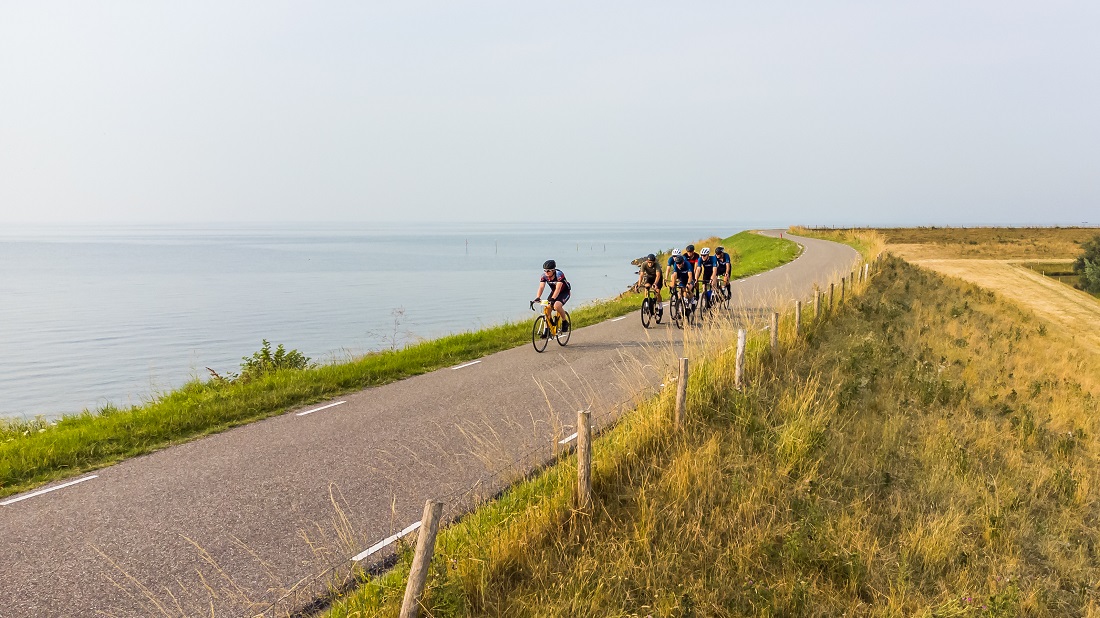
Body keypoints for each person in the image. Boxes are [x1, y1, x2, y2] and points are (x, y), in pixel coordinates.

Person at [533, 259, 571, 333]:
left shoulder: (559, 274)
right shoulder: (544, 276)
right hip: (554, 292)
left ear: (553, 270)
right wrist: (538, 297)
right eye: (545, 270)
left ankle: (564, 321)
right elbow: (541, 287)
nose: (546, 272)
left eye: (548, 271)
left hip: (564, 292)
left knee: (556, 306)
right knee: (547, 309)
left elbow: (558, 288)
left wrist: (553, 299)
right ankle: (548, 329)